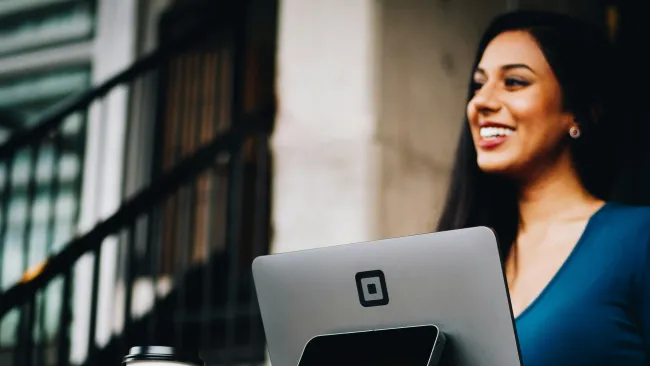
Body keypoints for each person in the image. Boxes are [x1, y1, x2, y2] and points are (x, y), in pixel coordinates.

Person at [436, 10, 650, 366]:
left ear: (579, 111)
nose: (480, 103)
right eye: (478, 84)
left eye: (515, 82)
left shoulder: (639, 240)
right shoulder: (455, 258)